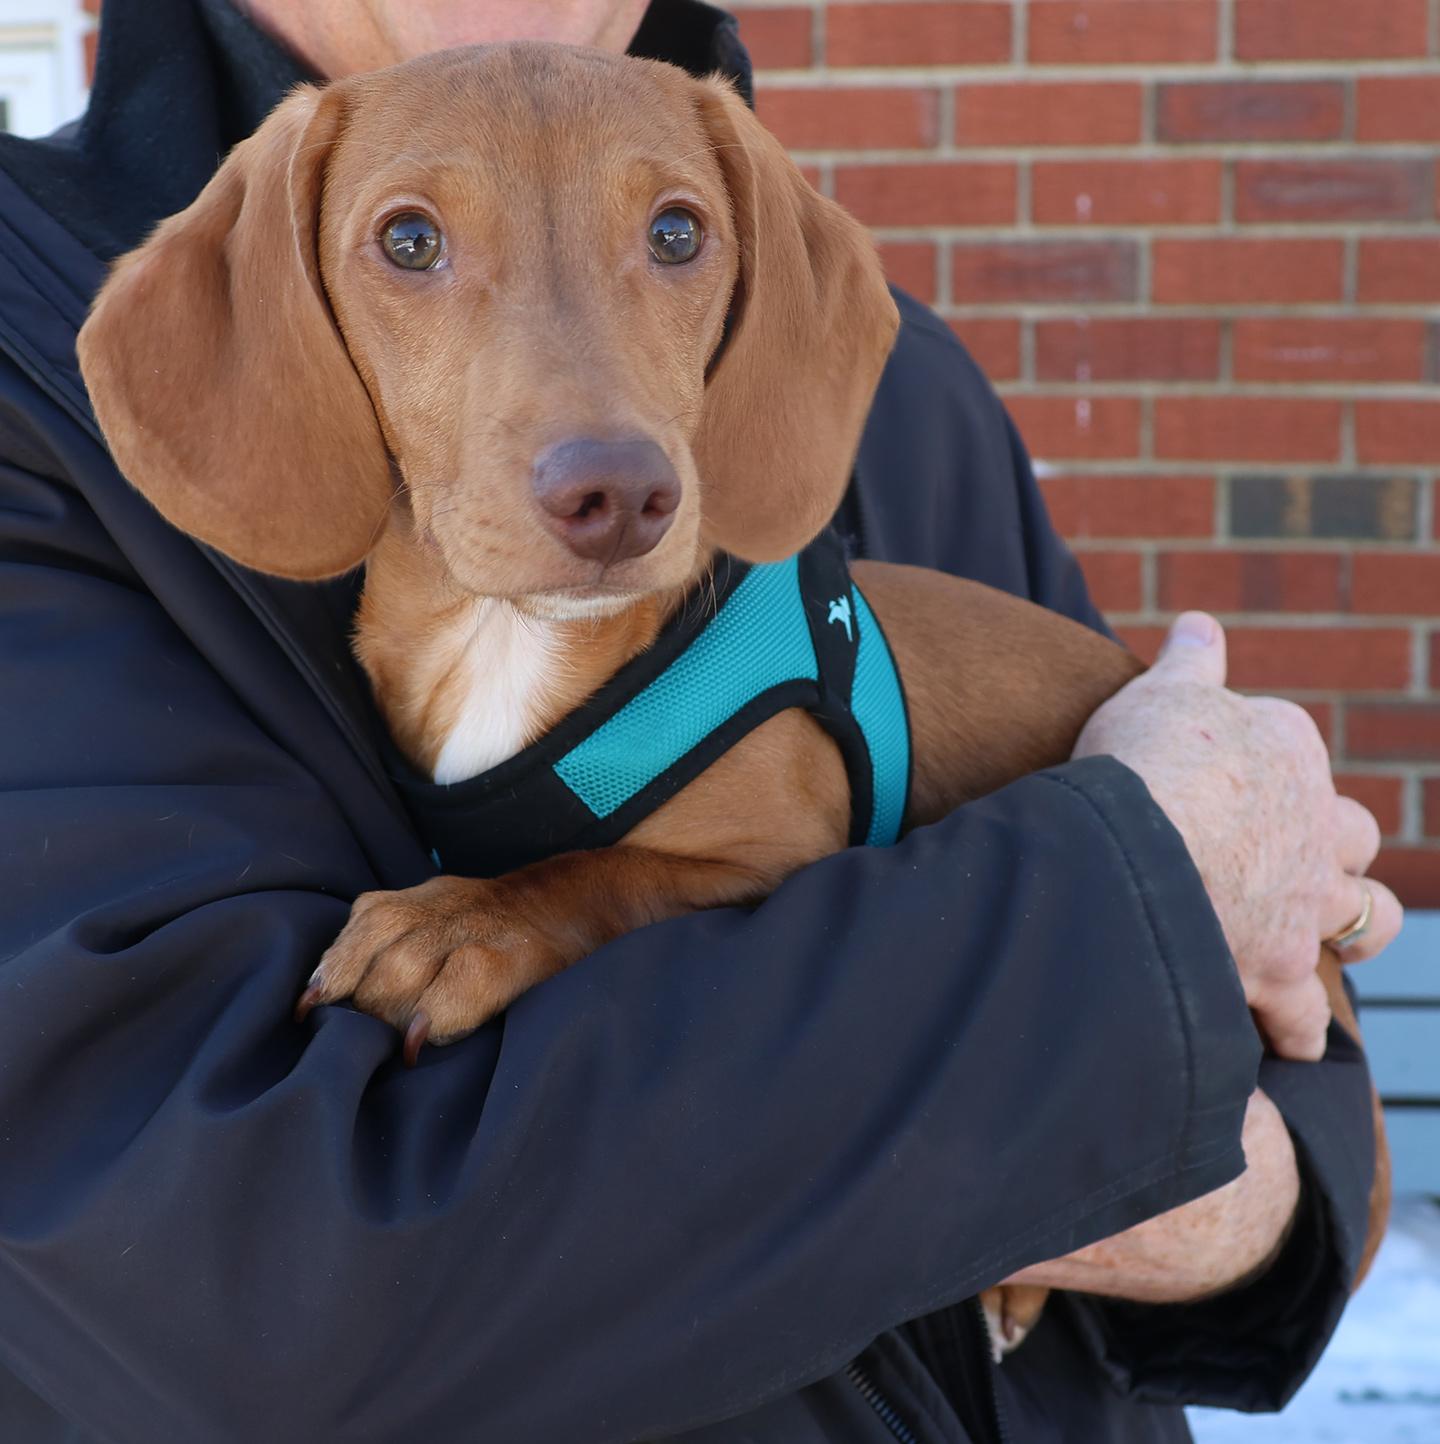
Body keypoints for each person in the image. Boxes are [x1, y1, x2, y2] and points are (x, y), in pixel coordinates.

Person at [0, 1, 1398, 1440]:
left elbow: (1319, 1169)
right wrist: (1109, 997)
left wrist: (1244, 1187)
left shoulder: (883, 376)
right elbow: (241, 1300)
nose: (607, 446)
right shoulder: (49, 371)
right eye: (412, 244)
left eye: (672, 239)